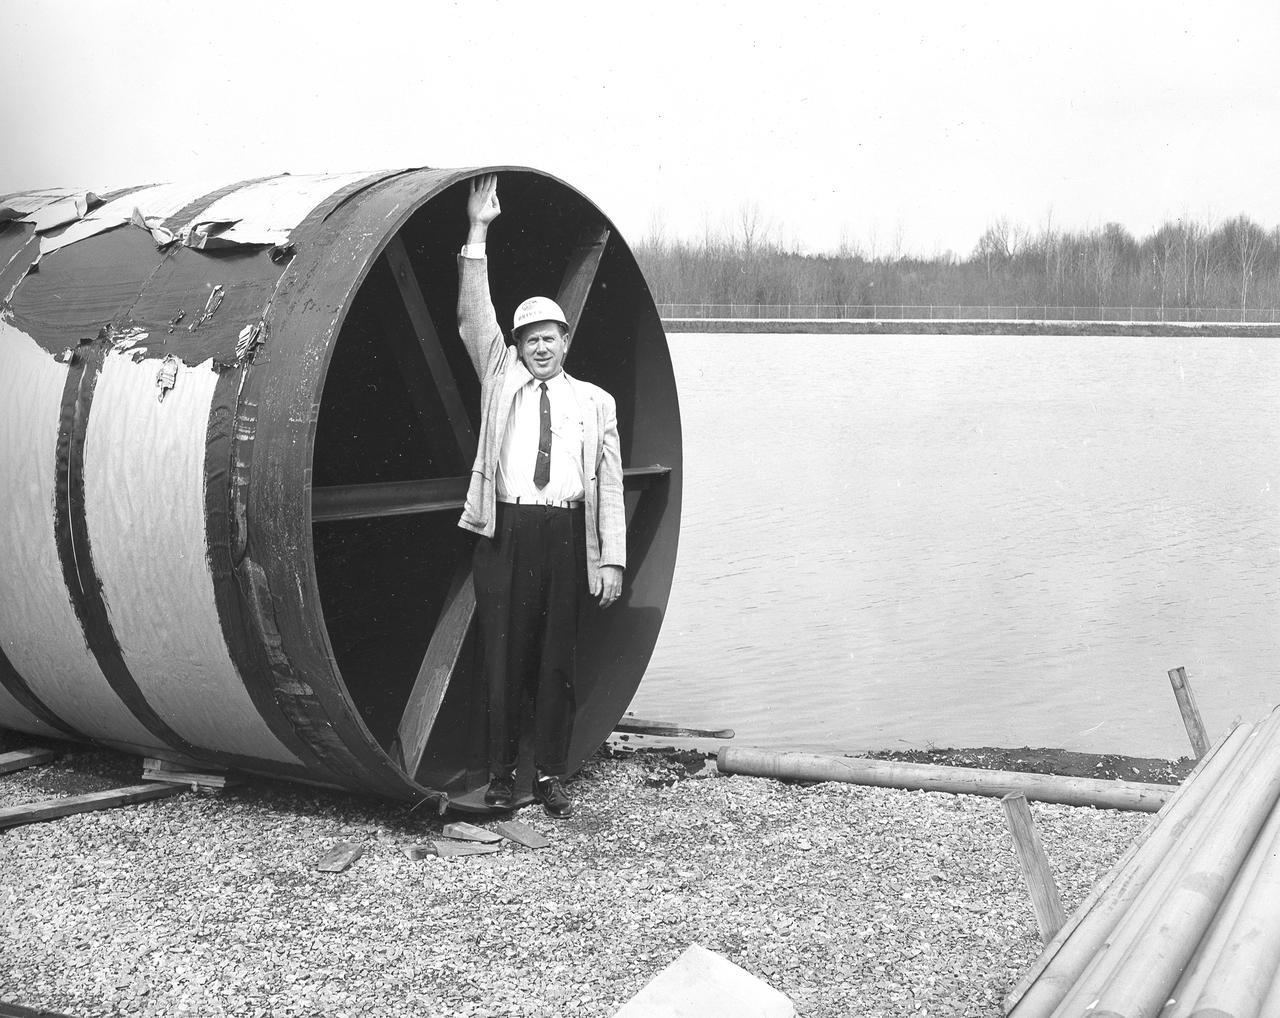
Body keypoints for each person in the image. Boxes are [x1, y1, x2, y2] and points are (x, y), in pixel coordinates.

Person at [455, 173, 625, 819]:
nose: (541, 346)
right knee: (501, 657)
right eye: (530, 339)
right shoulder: (499, 379)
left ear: (564, 340)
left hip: (565, 536)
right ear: (518, 348)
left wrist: (611, 560)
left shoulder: (595, 403)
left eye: (550, 336)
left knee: (557, 663)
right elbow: (475, 316)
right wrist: (478, 230)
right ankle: (500, 776)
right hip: (506, 535)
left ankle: (550, 775)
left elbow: (609, 486)